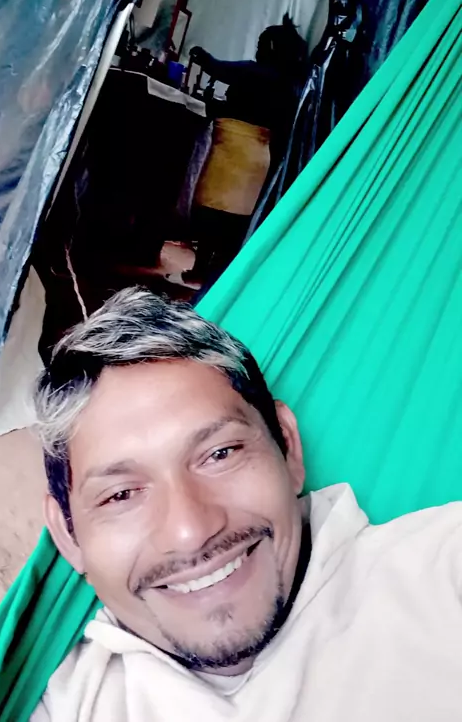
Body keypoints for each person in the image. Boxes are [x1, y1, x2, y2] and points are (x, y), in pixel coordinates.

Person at [32, 287, 462, 721]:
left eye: (220, 454)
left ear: (288, 446)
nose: (190, 531)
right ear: (68, 536)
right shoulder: (53, 703)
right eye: (121, 495)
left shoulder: (441, 575)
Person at [183, 16, 307, 286]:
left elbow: (217, 68)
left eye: (261, 44)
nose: (257, 49)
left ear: (270, 48)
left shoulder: (255, 72)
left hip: (233, 151)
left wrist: (199, 54)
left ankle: (200, 267)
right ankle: (218, 275)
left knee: (212, 211)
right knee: (236, 220)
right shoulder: (290, 84)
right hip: (259, 157)